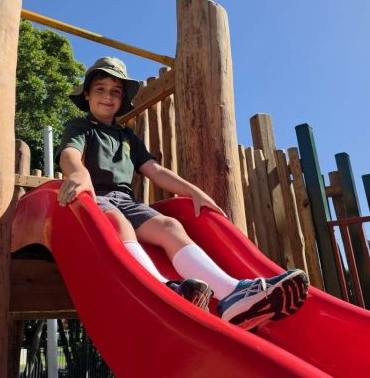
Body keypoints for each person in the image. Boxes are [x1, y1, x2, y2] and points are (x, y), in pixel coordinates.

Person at [56, 57, 308, 330]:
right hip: (93, 200)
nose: (108, 96)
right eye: (100, 89)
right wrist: (79, 173)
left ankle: (231, 294)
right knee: (119, 223)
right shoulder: (80, 127)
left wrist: (193, 191)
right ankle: (162, 290)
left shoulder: (127, 137)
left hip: (126, 201)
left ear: (122, 98)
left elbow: (154, 170)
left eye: (115, 92)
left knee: (170, 225)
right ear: (87, 94)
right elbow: (70, 154)